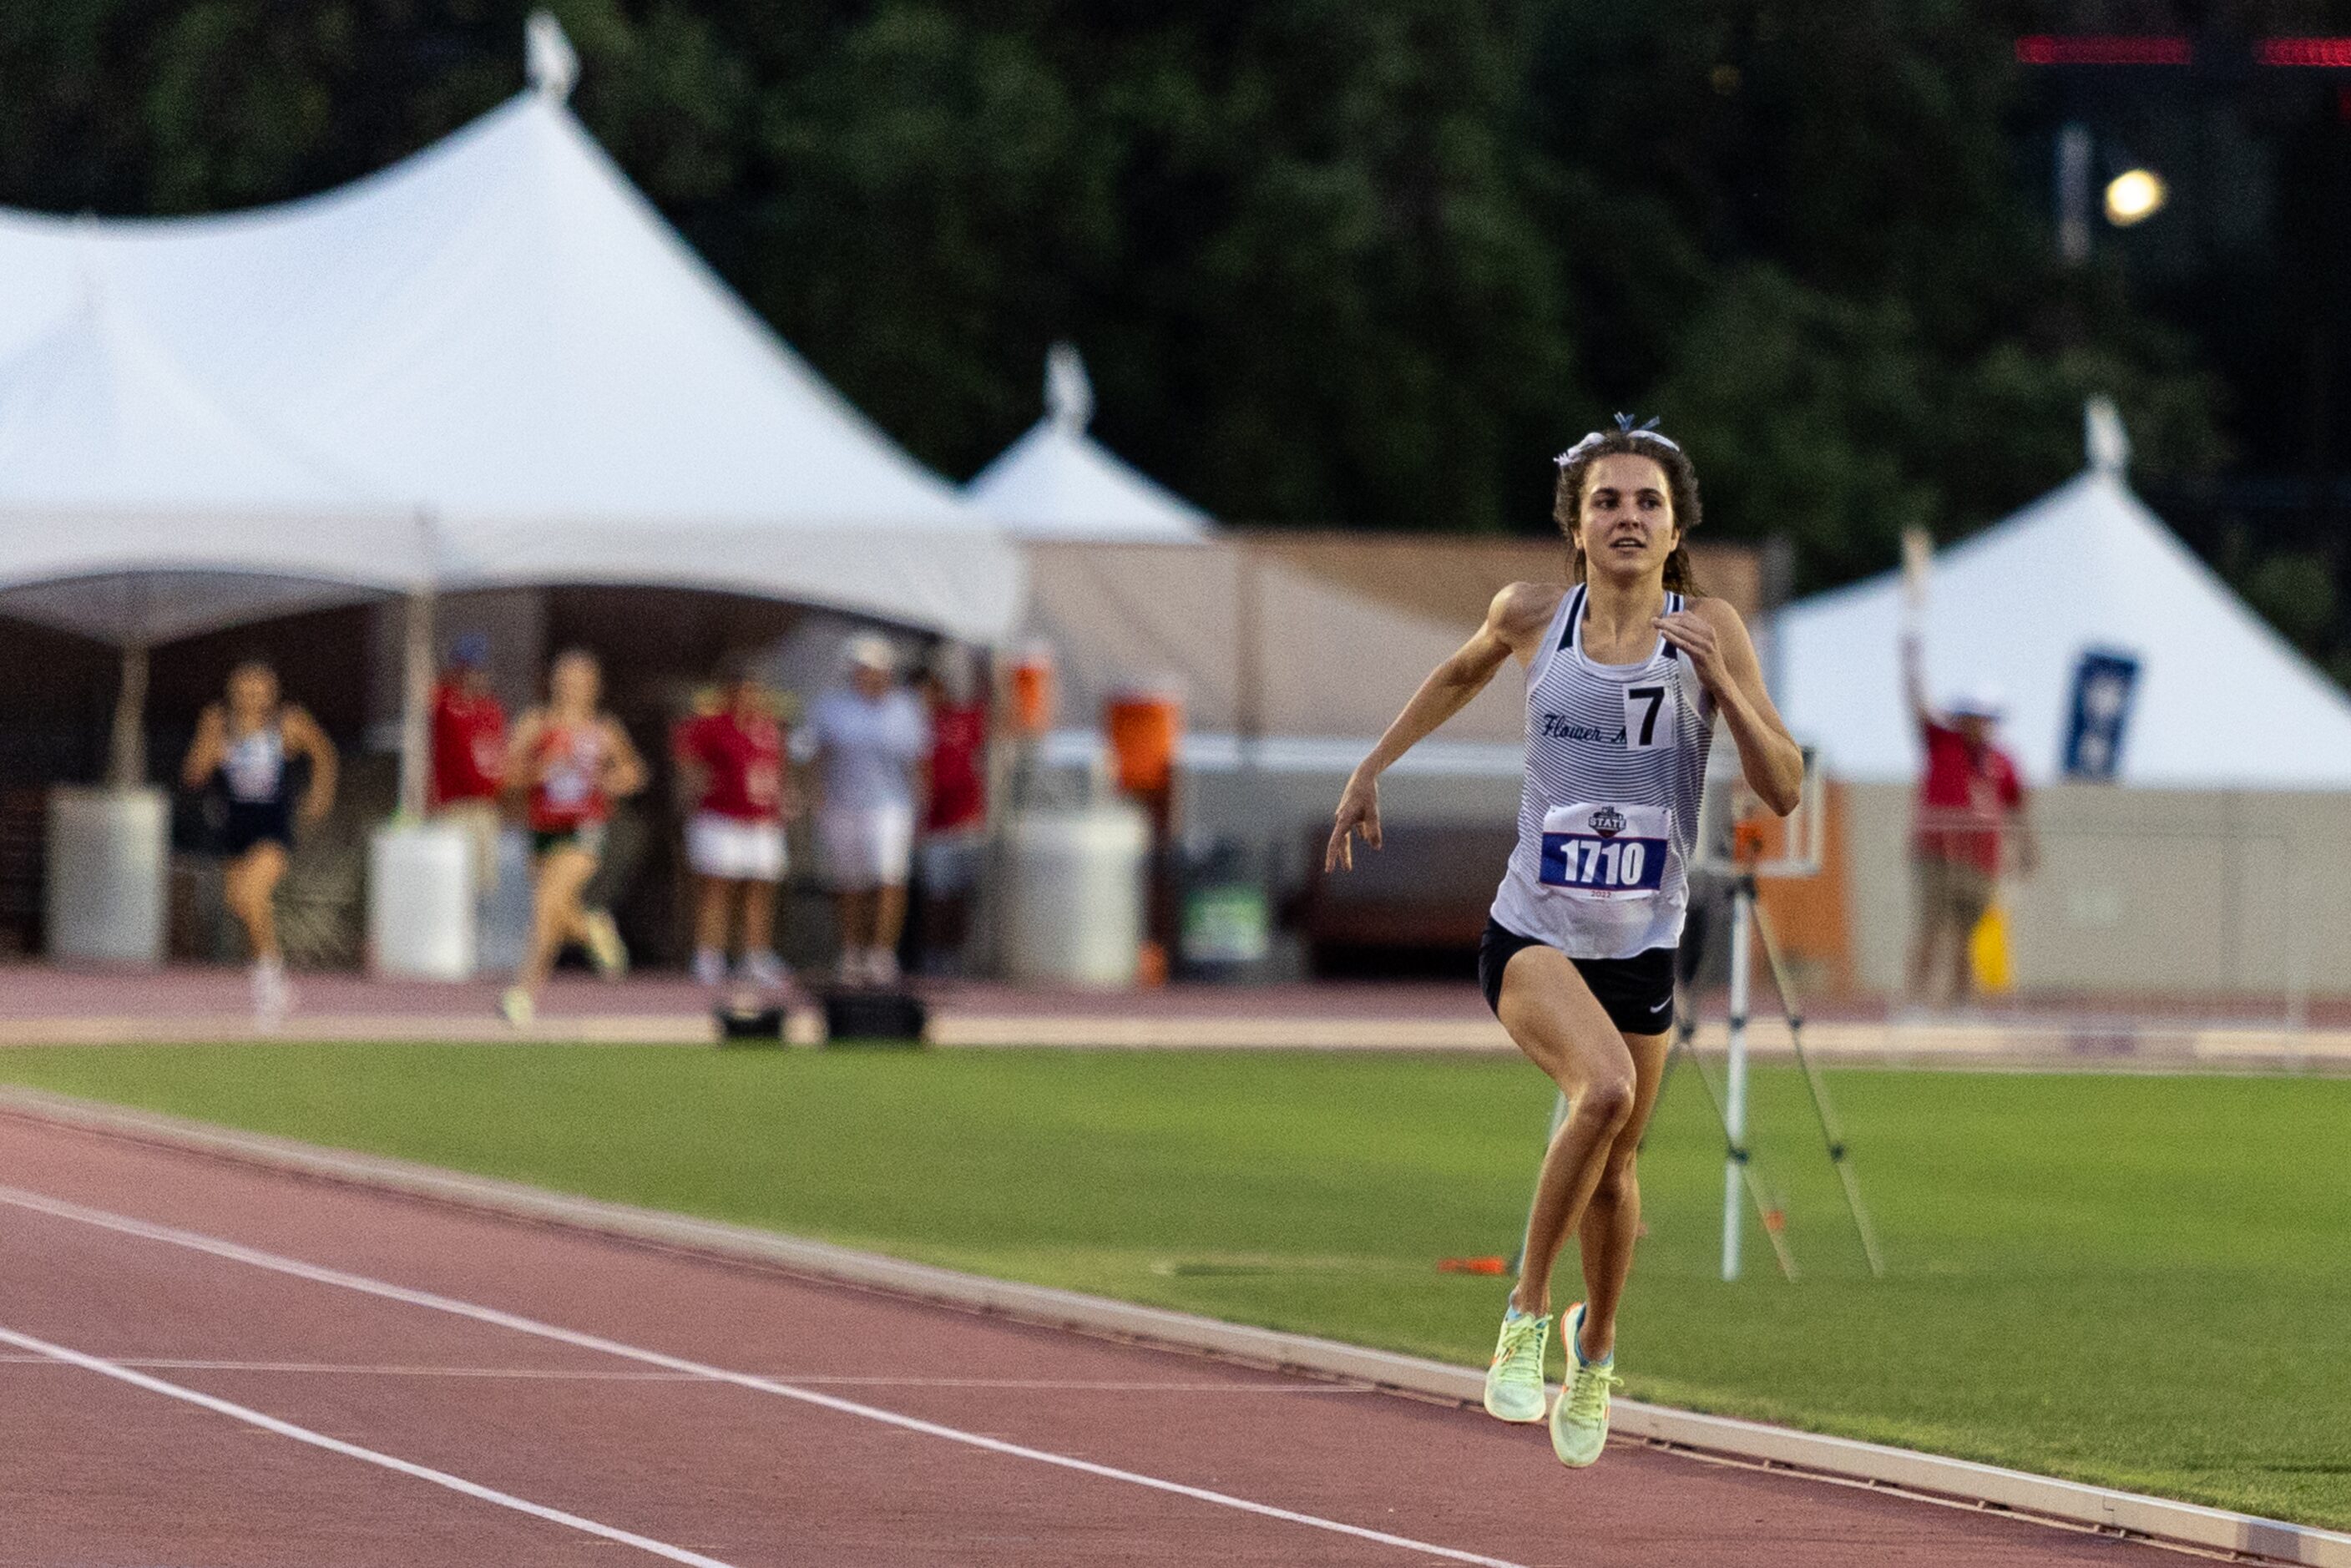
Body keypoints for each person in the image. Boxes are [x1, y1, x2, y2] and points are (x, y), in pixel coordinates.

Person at [1327, 419, 1801, 1469]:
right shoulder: (1534, 615)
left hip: (1642, 942)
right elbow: (1459, 673)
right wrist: (1372, 766)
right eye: (1605, 502)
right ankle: (1526, 1312)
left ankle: (1598, 1354)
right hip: (1533, 929)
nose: (1625, 517)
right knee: (1601, 1095)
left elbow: (1783, 785)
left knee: (1618, 1166)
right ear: (1575, 526)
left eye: (1645, 502)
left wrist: (1722, 686)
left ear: (1675, 526)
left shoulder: (1711, 626)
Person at [179, 660, 338, 1021]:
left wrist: (320, 793)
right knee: (242, 906)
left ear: (271, 693)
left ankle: (270, 986)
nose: (251, 698)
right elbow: (194, 774)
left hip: (271, 827)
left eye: (258, 691)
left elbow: (323, 752)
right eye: (244, 690)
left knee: (252, 896)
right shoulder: (220, 724)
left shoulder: (287, 723)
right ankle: (275, 981)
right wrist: (209, 740)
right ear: (233, 691)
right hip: (235, 827)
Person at [501, 650, 646, 1026]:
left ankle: (523, 992)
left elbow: (634, 772)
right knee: (556, 908)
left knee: (547, 905)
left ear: (594, 688)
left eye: (580, 682)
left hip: (584, 827)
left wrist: (611, 780)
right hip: (542, 828)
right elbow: (508, 773)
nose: (571, 689)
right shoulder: (536, 722)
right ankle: (591, 929)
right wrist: (540, 771)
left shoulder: (604, 729)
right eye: (565, 681)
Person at [1902, 635, 2035, 1008]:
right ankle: (1915, 1002)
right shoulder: (1942, 744)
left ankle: (1959, 1002)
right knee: (1931, 928)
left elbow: (2016, 808)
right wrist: (1912, 665)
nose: (1982, 725)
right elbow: (1916, 705)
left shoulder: (2002, 761)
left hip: (1980, 859)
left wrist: (2027, 850)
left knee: (1966, 934)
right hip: (1938, 854)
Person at [804, 634, 929, 985]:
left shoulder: (904, 709)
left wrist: (922, 806)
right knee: (849, 883)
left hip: (891, 805)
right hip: (843, 803)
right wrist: (816, 794)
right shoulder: (833, 706)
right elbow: (816, 753)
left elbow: (918, 762)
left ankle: (881, 953)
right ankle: (853, 951)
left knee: (889, 877)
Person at [674, 655, 795, 989]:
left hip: (762, 819)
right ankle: (709, 955)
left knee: (760, 889)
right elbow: (686, 754)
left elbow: (777, 769)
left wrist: (784, 797)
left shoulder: (768, 727)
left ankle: (755, 956)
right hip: (721, 817)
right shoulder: (714, 725)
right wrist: (697, 782)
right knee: (718, 888)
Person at [913, 652, 989, 976]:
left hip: (965, 819)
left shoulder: (961, 718)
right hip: (934, 824)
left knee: (959, 896)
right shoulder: (915, 726)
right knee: (936, 896)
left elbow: (993, 708)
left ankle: (955, 955)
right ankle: (933, 955)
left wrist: (983, 665)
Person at [430, 632, 507, 907]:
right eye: (468, 669)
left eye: (479, 670)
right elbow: (427, 692)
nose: (474, 676)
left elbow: (496, 760)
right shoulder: (445, 704)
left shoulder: (491, 710)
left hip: (485, 807)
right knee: (451, 881)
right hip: (453, 806)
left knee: (481, 888)